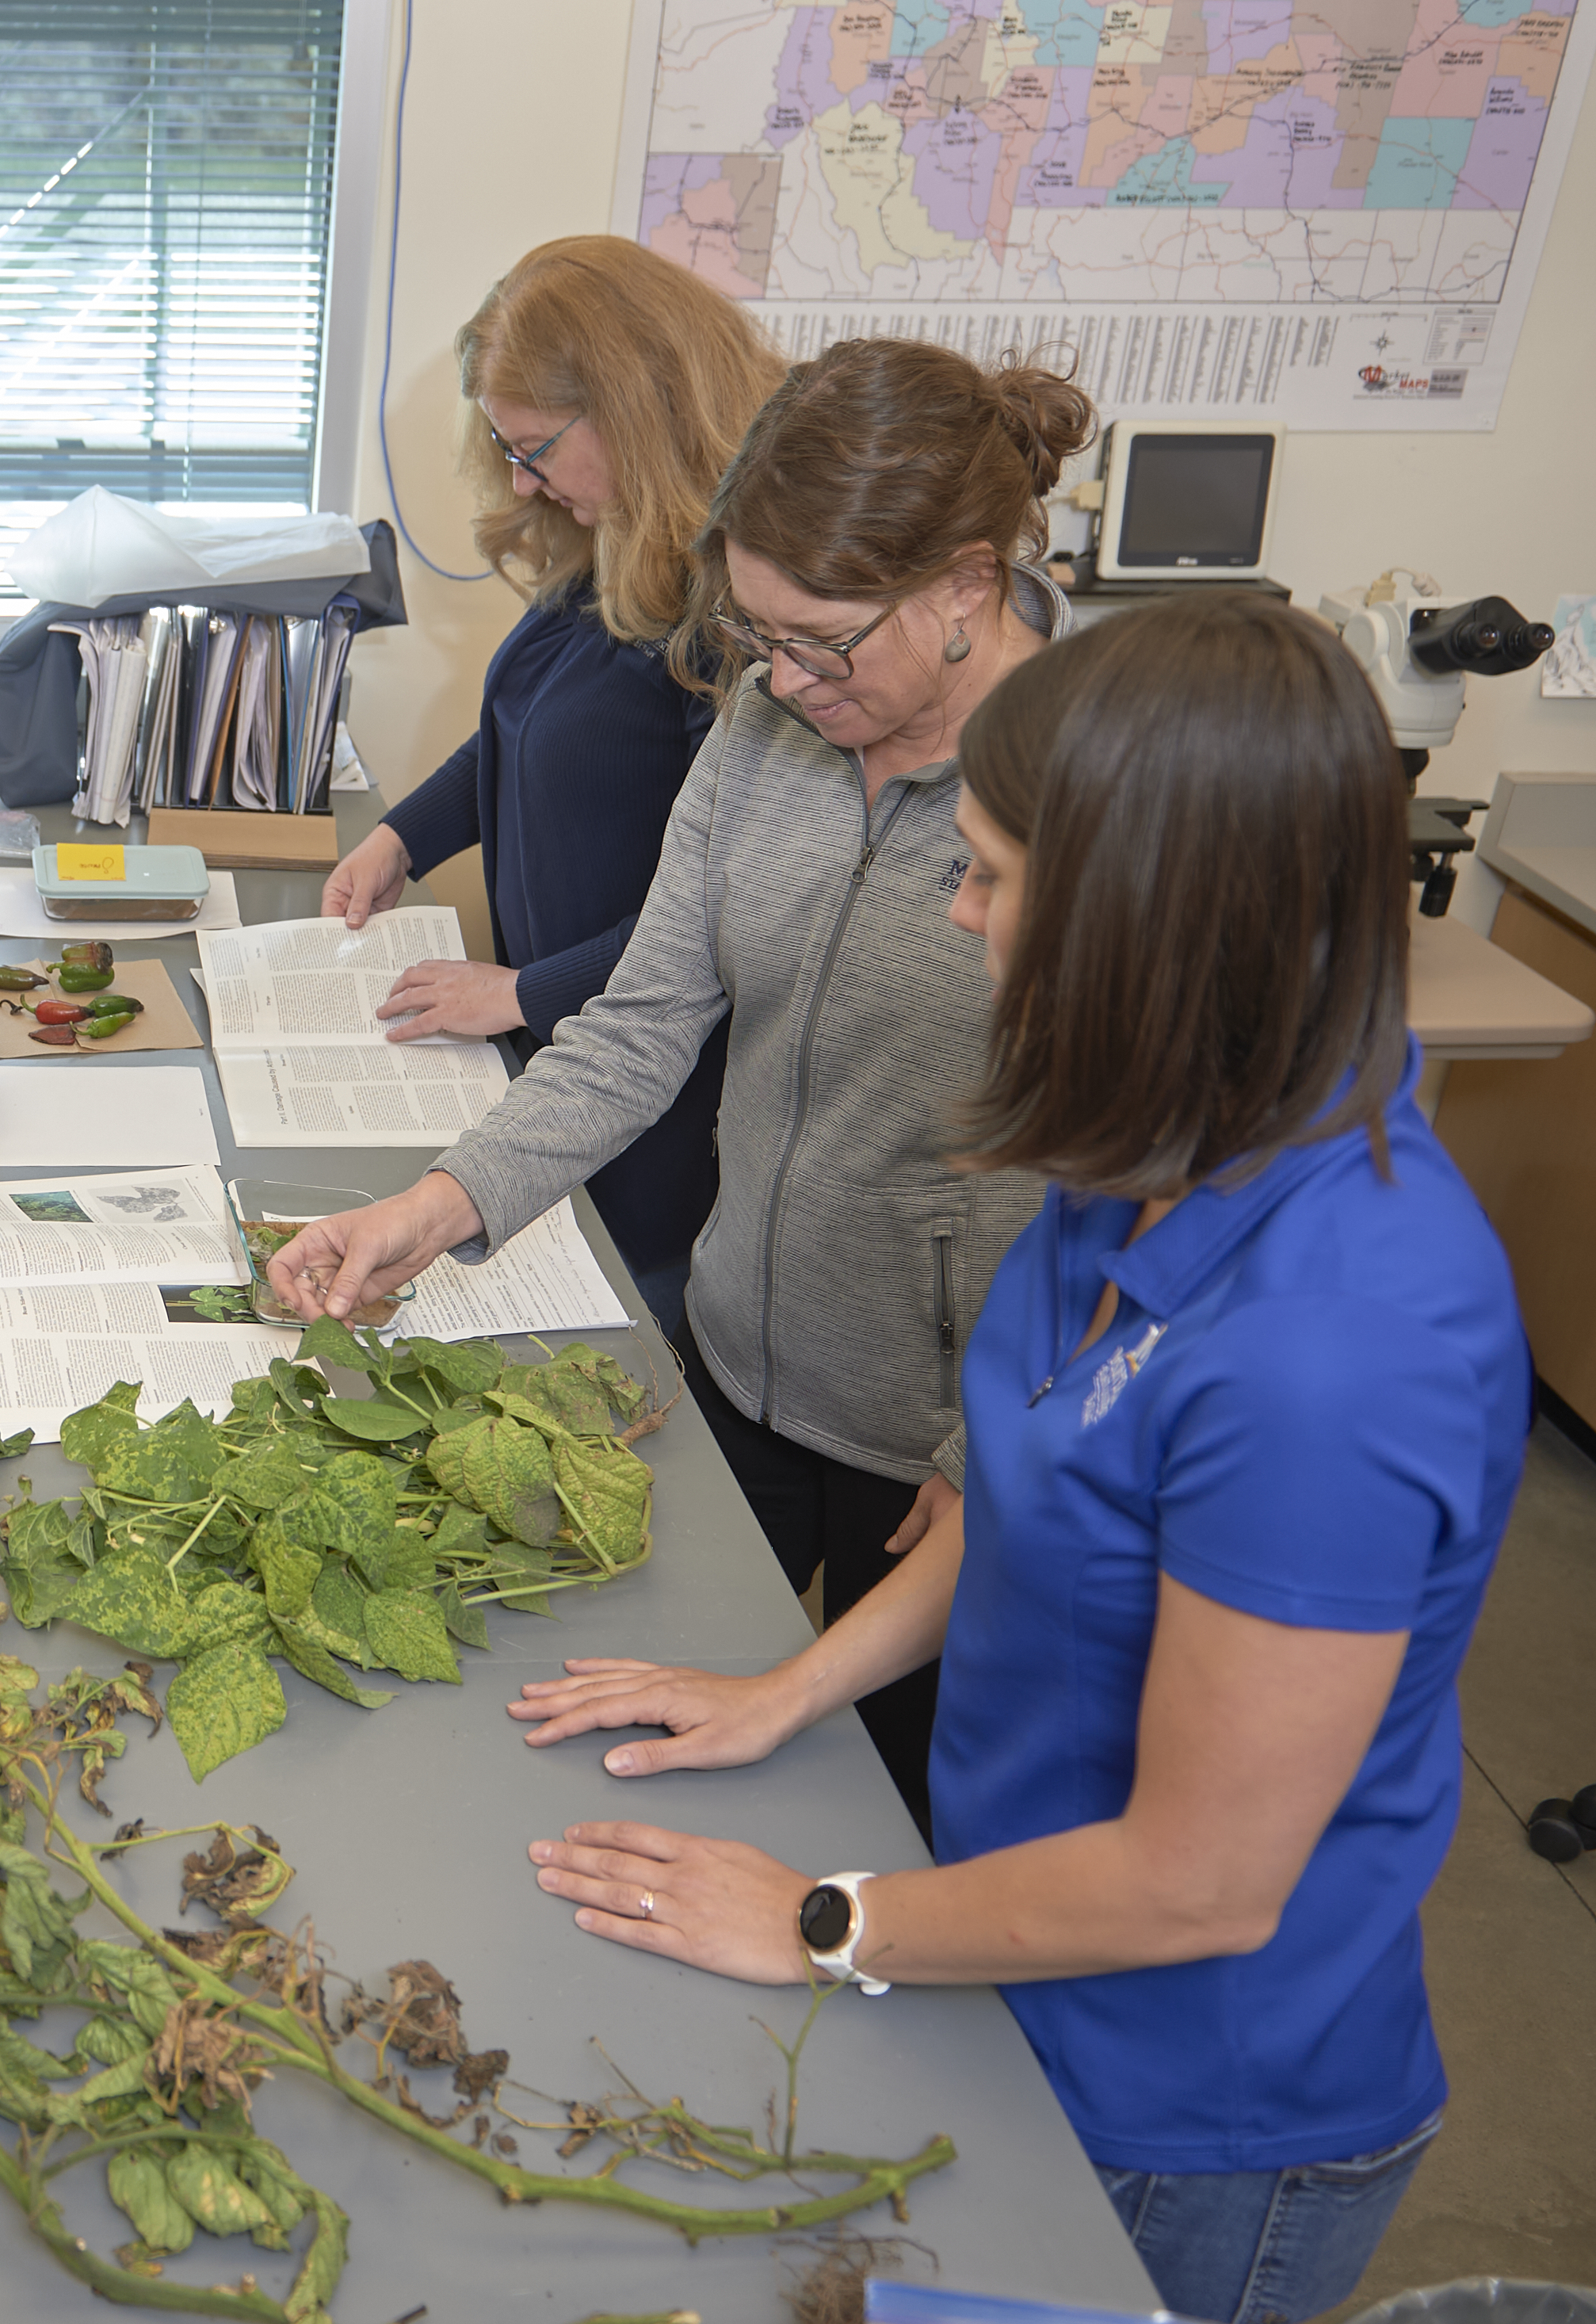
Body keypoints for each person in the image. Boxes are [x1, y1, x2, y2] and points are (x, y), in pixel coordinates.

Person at [504, 594, 1524, 2324]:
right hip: (1003, 1951)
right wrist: (792, 1689)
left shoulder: (1336, 1350)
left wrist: (825, 1918)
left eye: (984, 874)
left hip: (1188, 2104)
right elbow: (1036, 1478)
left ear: (1146, 919)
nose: (955, 908)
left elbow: (1199, 1877)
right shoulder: (1144, 1139)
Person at [270, 339, 1095, 1834]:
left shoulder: (1104, 783)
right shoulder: (773, 728)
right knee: (684, 1771)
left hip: (958, 1449)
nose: (780, 678)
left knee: (898, 1830)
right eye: (754, 631)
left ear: (969, 586)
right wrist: (441, 1204)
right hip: (740, 1367)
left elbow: (1138, 1173)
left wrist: (996, 1450)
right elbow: (642, 1021)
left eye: (821, 640)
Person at [316, 237, 781, 1349]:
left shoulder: (746, 612)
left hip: (655, 1097)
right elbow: (518, 738)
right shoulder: (612, 542)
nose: (522, 483)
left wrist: (529, 990)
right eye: (505, 447)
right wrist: (402, 838)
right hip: (554, 1056)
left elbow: (732, 907)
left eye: (536, 449)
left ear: (639, 410)